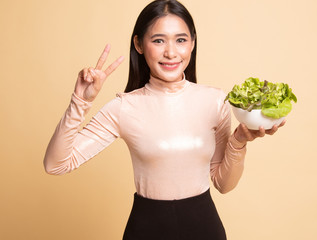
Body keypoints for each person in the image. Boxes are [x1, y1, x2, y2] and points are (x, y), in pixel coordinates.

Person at [43, 0, 285, 239]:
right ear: (138, 44)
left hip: (205, 229)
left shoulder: (215, 101)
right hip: (146, 230)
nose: (171, 52)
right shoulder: (123, 107)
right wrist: (80, 101)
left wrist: (239, 141)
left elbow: (224, 184)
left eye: (181, 40)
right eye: (158, 40)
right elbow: (56, 164)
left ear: (192, 43)